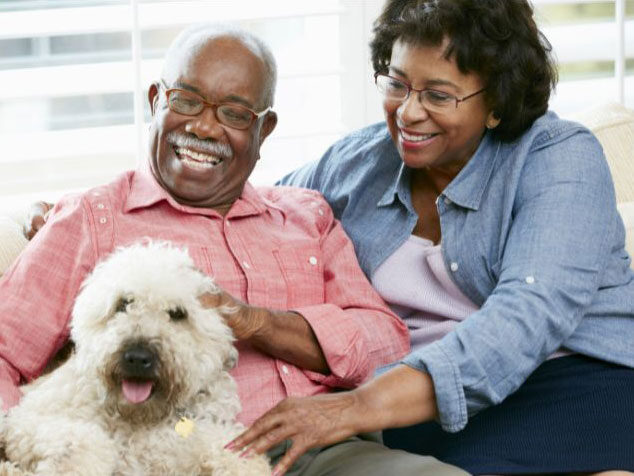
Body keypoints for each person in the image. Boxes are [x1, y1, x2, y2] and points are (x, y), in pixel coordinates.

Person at [0, 25, 468, 476]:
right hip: (171, 454)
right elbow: (5, 349)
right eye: (186, 100)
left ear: (264, 130)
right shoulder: (93, 217)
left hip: (323, 450)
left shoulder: (305, 216)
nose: (203, 127)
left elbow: (385, 338)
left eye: (234, 113)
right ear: (155, 102)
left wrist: (256, 322)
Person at [229, 1, 634, 475]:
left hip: (571, 385)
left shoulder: (559, 158)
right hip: (418, 413)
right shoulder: (355, 164)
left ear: (498, 103)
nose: (408, 112)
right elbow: (252, 218)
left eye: (439, 96)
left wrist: (352, 409)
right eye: (397, 84)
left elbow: (527, 317)